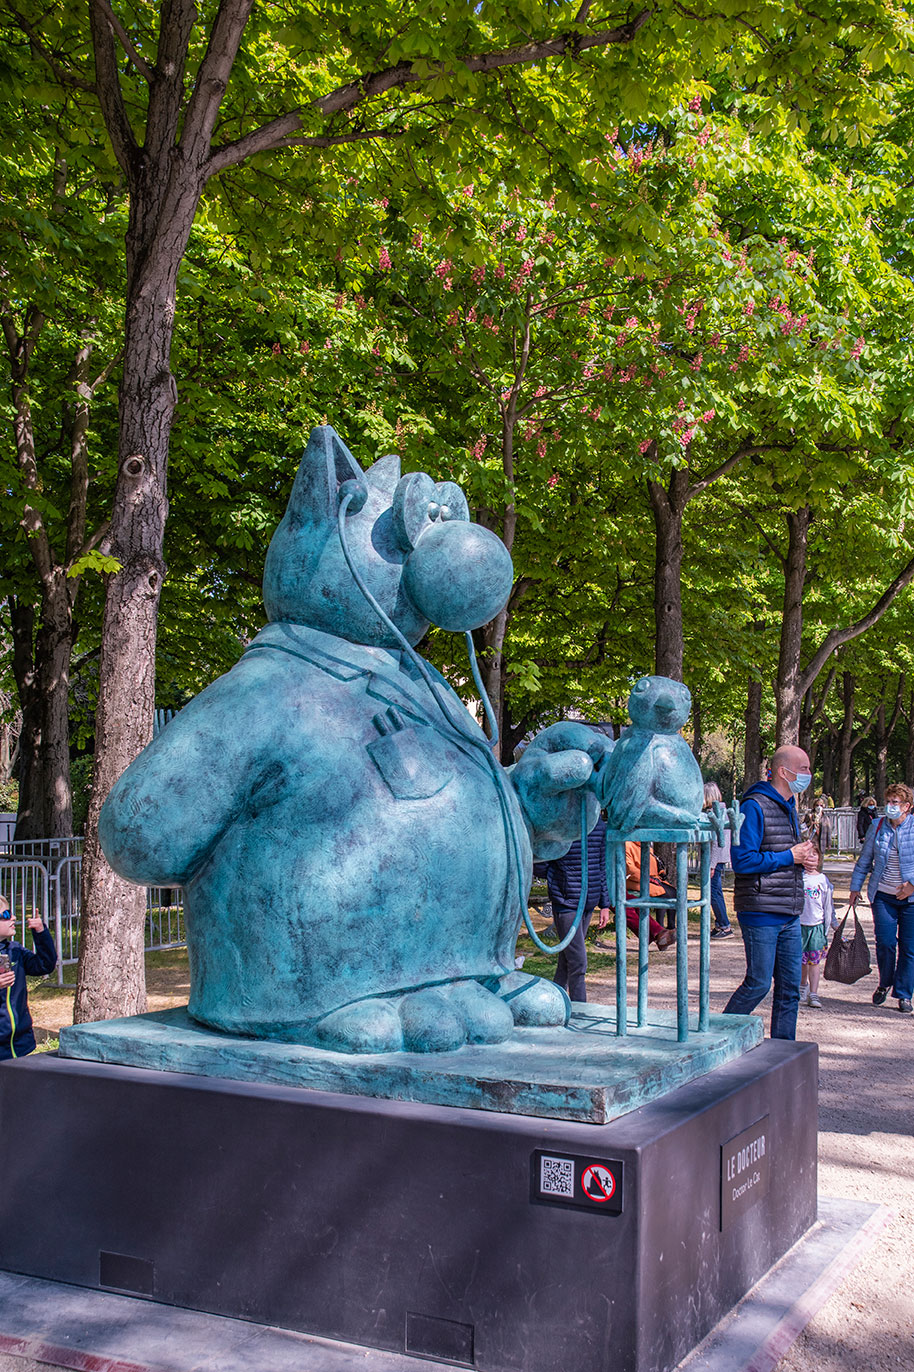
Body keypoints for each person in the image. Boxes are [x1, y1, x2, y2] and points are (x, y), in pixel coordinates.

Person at [723, 746, 819, 1040]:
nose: (808, 774)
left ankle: (783, 1051)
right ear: (783, 771)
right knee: (759, 983)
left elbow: (787, 854)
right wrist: (790, 857)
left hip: (789, 911)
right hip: (761, 910)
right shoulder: (754, 805)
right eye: (803, 768)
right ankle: (717, 1033)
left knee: (789, 989)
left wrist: (806, 860)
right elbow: (742, 860)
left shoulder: (789, 806)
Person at [849, 782, 914, 1014]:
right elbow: (864, 861)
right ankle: (885, 982)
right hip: (883, 896)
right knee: (885, 943)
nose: (890, 806)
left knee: (909, 948)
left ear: (907, 806)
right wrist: (855, 888)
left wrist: (912, 886)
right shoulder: (877, 826)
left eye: (895, 802)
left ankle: (904, 994)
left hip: (910, 900)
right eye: (888, 801)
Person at [533, 814, 611, 1003]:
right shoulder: (561, 825)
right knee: (578, 962)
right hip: (566, 903)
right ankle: (580, 1009)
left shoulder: (599, 826)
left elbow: (601, 866)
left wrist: (605, 904)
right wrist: (556, 876)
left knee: (567, 961)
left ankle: (555, 1004)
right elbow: (540, 862)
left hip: (588, 902)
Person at [0, 894, 58, 1060]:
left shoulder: (14, 950)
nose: (13, 917)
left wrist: (40, 932)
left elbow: (44, 965)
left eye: (11, 913)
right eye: (5, 915)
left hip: (19, 1043)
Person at [798, 867, 838, 1008]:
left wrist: (834, 923)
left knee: (814, 962)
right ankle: (803, 986)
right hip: (800, 925)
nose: (810, 860)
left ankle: (814, 993)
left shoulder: (822, 880)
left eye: (814, 856)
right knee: (801, 961)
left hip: (817, 927)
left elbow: (828, 905)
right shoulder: (798, 878)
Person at [704, 781, 732, 938]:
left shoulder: (717, 813)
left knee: (714, 892)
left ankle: (724, 925)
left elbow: (716, 842)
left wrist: (711, 865)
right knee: (715, 891)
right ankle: (720, 923)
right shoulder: (722, 811)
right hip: (718, 858)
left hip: (716, 858)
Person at [802, 795, 833, 871]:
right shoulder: (809, 815)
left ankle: (819, 872)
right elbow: (803, 826)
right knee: (810, 858)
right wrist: (810, 823)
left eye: (821, 805)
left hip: (821, 841)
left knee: (820, 858)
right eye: (817, 805)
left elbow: (828, 831)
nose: (819, 807)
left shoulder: (825, 818)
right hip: (811, 840)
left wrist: (829, 843)